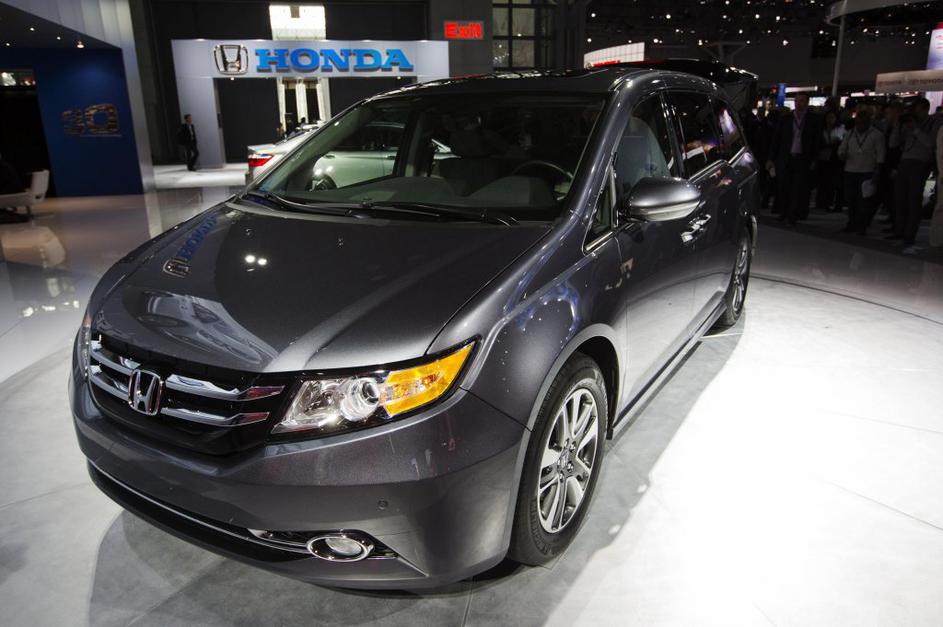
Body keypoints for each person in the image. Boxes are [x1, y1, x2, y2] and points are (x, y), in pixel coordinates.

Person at [767, 93, 823, 225]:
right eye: (797, 101)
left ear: (807, 103)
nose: (798, 104)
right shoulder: (786, 119)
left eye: (802, 101)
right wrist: (771, 158)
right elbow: (777, 139)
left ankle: (793, 215)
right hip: (786, 158)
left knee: (797, 188)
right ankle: (784, 212)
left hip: (802, 158)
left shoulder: (813, 119)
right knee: (784, 186)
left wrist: (814, 159)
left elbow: (817, 140)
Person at [890, 98, 934, 251]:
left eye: (918, 110)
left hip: (920, 164)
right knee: (900, 199)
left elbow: (931, 144)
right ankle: (899, 231)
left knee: (913, 201)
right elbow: (893, 143)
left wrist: (915, 130)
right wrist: (898, 126)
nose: (916, 113)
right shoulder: (907, 125)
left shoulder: (933, 123)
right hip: (904, 163)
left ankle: (909, 234)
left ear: (926, 109)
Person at [837, 109, 885, 234]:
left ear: (868, 122)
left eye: (862, 123)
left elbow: (880, 155)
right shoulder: (850, 133)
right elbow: (842, 149)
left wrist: (877, 172)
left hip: (867, 171)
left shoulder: (877, 135)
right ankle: (851, 223)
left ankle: (861, 225)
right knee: (851, 199)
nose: (859, 126)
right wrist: (842, 154)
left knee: (864, 201)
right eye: (857, 123)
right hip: (850, 170)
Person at [815, 110, 845, 213]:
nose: (830, 120)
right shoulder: (820, 129)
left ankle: (830, 202)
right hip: (822, 157)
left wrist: (836, 143)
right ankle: (821, 202)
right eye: (828, 117)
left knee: (833, 182)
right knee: (822, 182)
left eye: (832, 117)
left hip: (835, 159)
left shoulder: (840, 129)